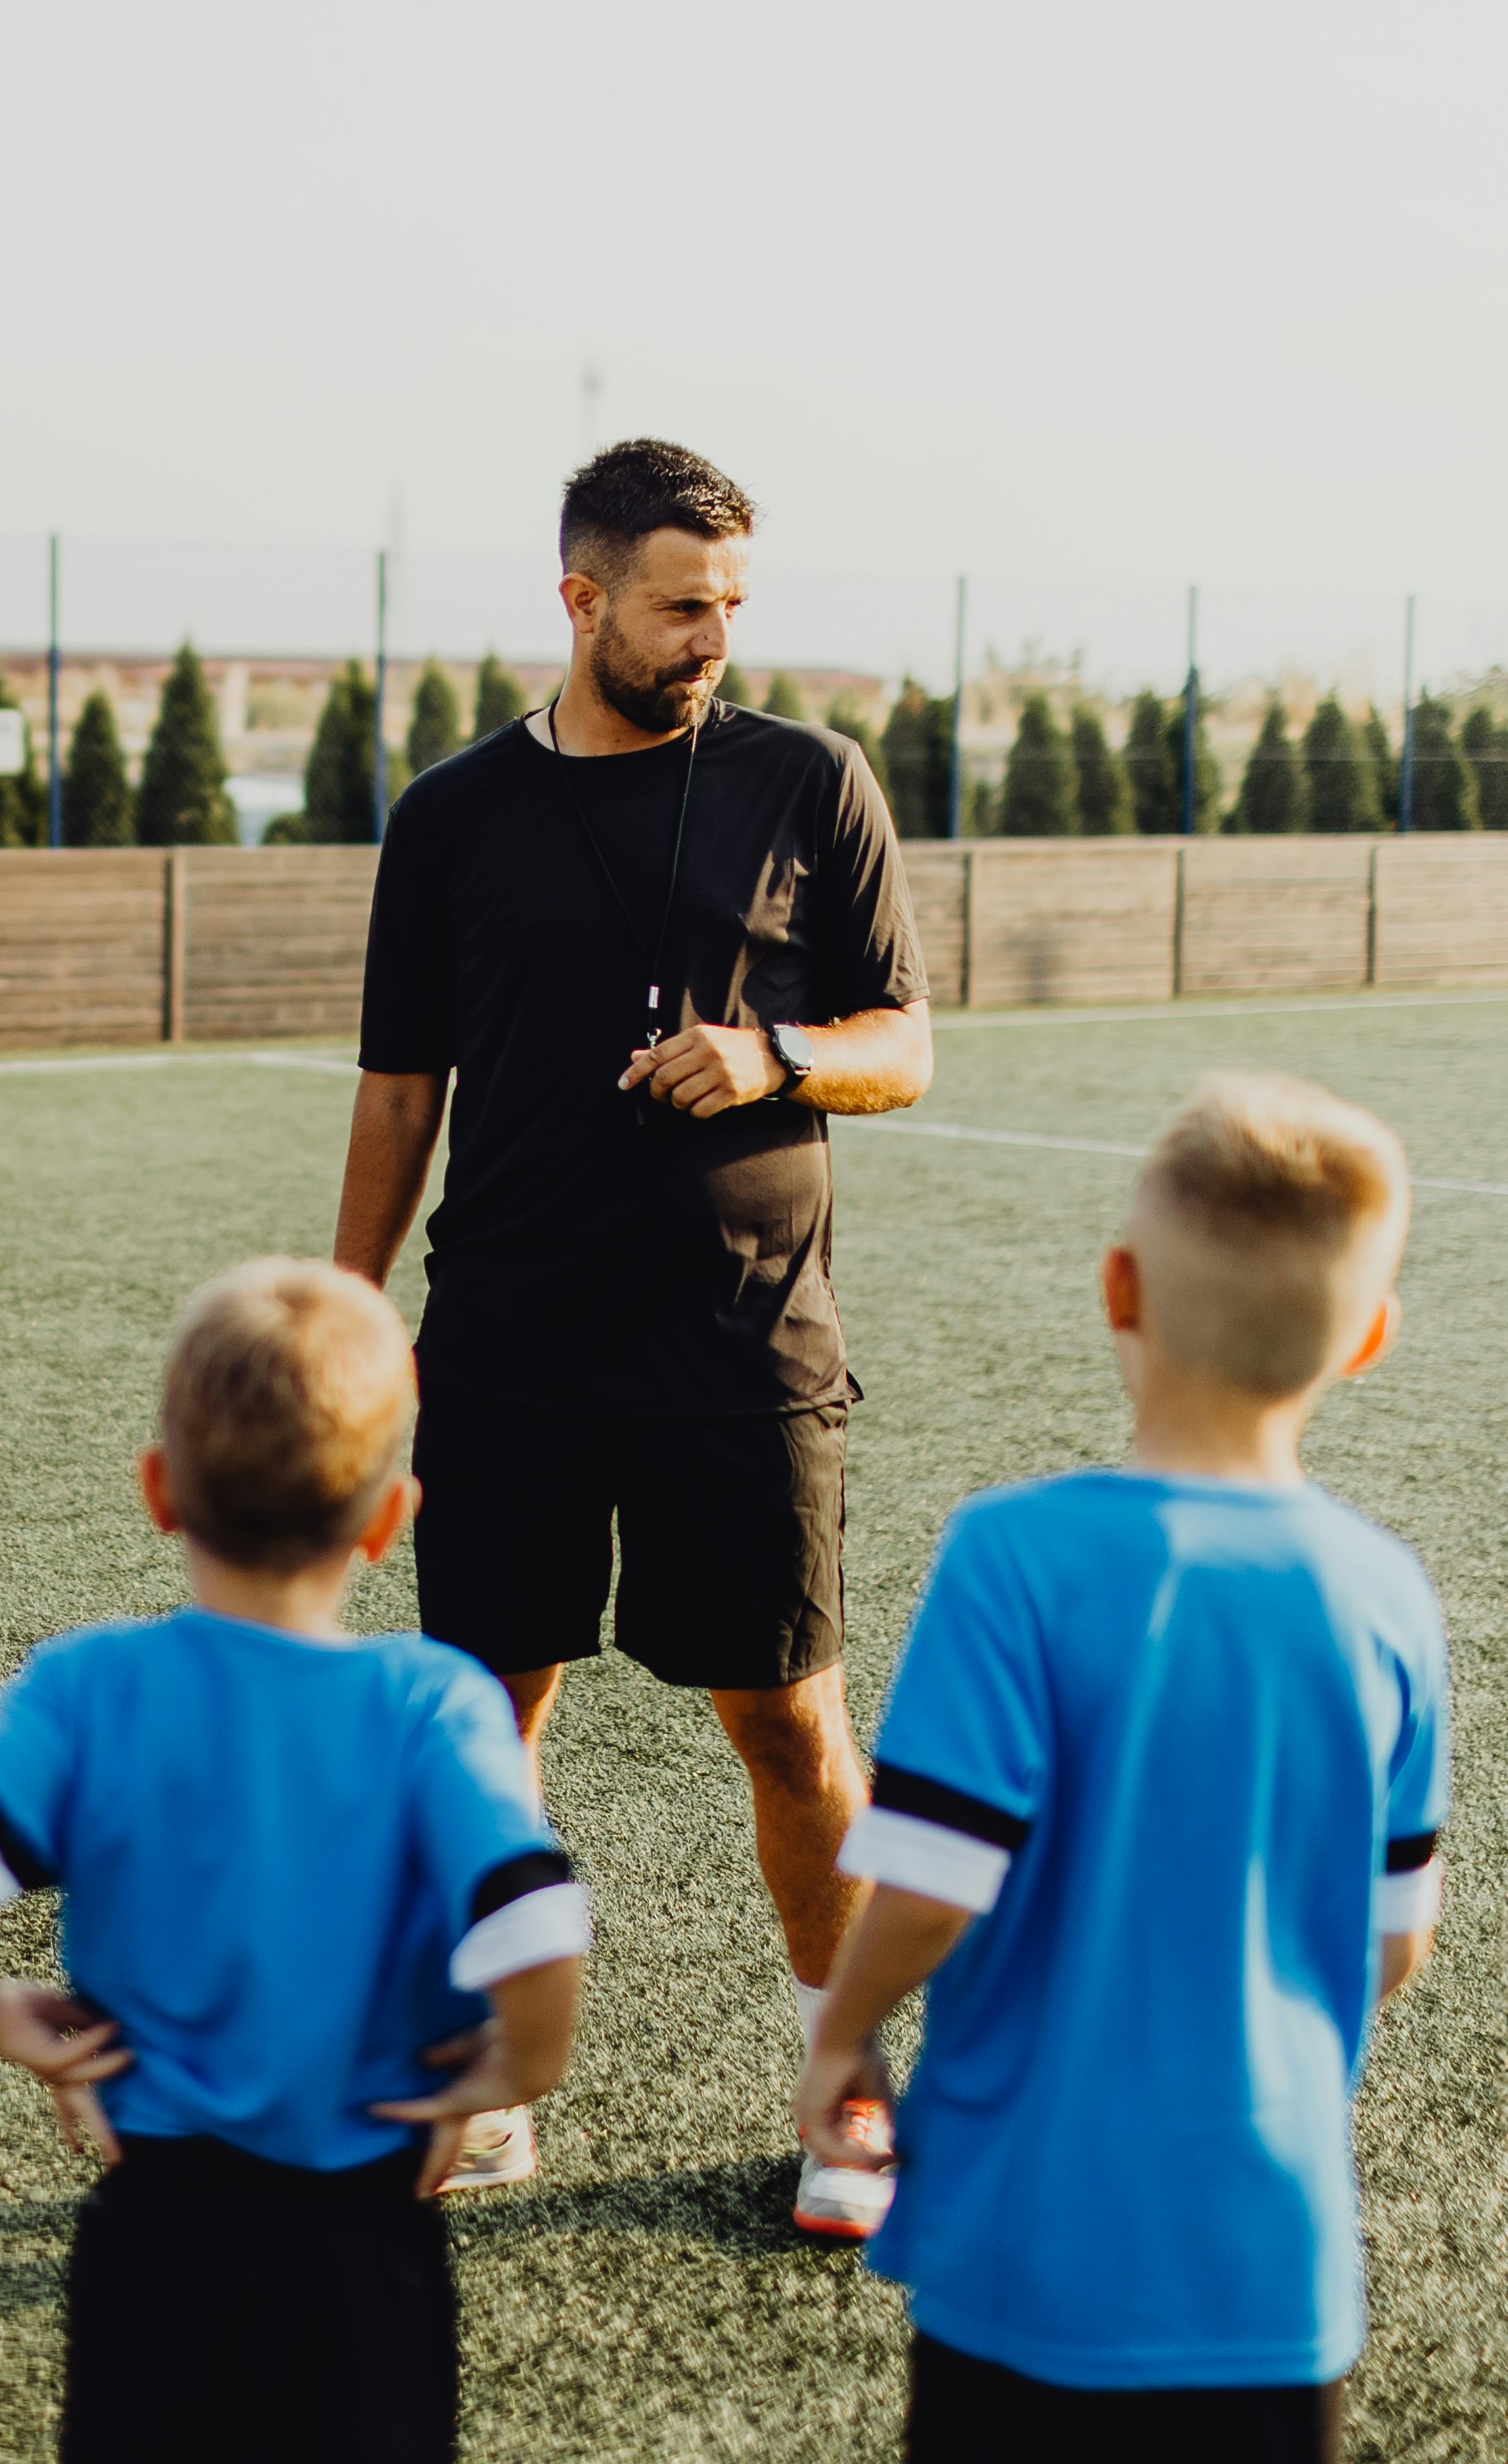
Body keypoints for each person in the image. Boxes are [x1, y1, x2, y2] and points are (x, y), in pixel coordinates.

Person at [334, 437, 932, 2230]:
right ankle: (501, 2084)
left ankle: (849, 2098)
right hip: (508, 1336)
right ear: (582, 599)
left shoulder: (809, 783)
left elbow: (905, 1042)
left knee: (793, 1723)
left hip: (743, 1347)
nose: (715, 639)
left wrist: (775, 1057)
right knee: (488, 1713)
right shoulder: (452, 818)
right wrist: (347, 1312)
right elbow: (395, 1090)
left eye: (735, 605)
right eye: (683, 607)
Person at [797, 1074, 1451, 2463]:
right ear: (1371, 1337)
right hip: (1272, 2256)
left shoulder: (1014, 1557)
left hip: (1030, 2246)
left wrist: (843, 2027)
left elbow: (927, 1890)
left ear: (1118, 1288)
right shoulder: (1385, 1595)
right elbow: (1398, 1936)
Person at [0, 1258, 594, 2464]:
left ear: (159, 1492)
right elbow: (538, 1924)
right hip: (365, 2243)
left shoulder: (91, 1684)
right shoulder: (435, 1703)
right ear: (389, 1518)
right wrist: (513, 2069)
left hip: (153, 2232)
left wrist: (1, 2014)